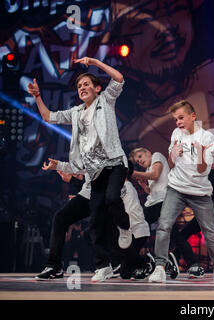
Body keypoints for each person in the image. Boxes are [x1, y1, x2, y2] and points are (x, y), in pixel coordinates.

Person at [28, 57, 131, 282]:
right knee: (95, 222)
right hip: (94, 175)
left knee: (113, 198)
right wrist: (37, 96)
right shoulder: (75, 113)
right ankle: (103, 266)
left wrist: (94, 62)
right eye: (78, 86)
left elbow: (119, 78)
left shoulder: (106, 100)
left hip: (114, 164)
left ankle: (125, 228)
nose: (82, 87)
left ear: (97, 88)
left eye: (86, 84)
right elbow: (48, 117)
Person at [146, 100, 214, 282]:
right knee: (164, 225)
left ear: (193, 116)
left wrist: (201, 155)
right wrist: (174, 154)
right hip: (176, 188)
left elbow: (203, 170)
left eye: (181, 118)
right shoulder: (176, 133)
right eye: (175, 119)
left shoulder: (207, 137)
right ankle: (159, 267)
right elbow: (171, 164)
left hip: (200, 191)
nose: (178, 122)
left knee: (210, 231)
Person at [129, 146, 202, 278]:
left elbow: (155, 175)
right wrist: (144, 186)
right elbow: (151, 192)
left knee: (142, 228)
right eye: (137, 161)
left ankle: (141, 263)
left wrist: (133, 173)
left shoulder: (157, 155)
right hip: (153, 203)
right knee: (144, 229)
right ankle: (189, 263)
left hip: (163, 202)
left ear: (148, 152)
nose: (139, 161)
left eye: (140, 157)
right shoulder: (147, 169)